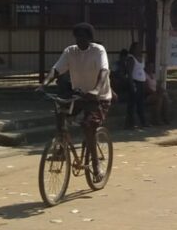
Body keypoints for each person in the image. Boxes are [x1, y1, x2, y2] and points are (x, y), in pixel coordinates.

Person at [43, 23, 111, 178]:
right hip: (79, 95)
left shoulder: (98, 51)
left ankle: (96, 165)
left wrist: (96, 90)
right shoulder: (70, 51)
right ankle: (61, 148)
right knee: (60, 110)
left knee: (88, 126)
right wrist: (44, 83)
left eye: (83, 37)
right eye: (77, 37)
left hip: (99, 97)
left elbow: (104, 71)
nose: (80, 40)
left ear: (89, 38)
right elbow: (56, 69)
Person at [124, 42, 148, 129]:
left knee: (140, 104)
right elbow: (129, 73)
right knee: (132, 104)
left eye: (140, 48)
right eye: (137, 48)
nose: (139, 49)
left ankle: (143, 122)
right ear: (133, 49)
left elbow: (142, 70)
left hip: (141, 83)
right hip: (135, 82)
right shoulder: (131, 59)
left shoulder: (142, 58)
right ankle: (131, 123)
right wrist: (132, 85)